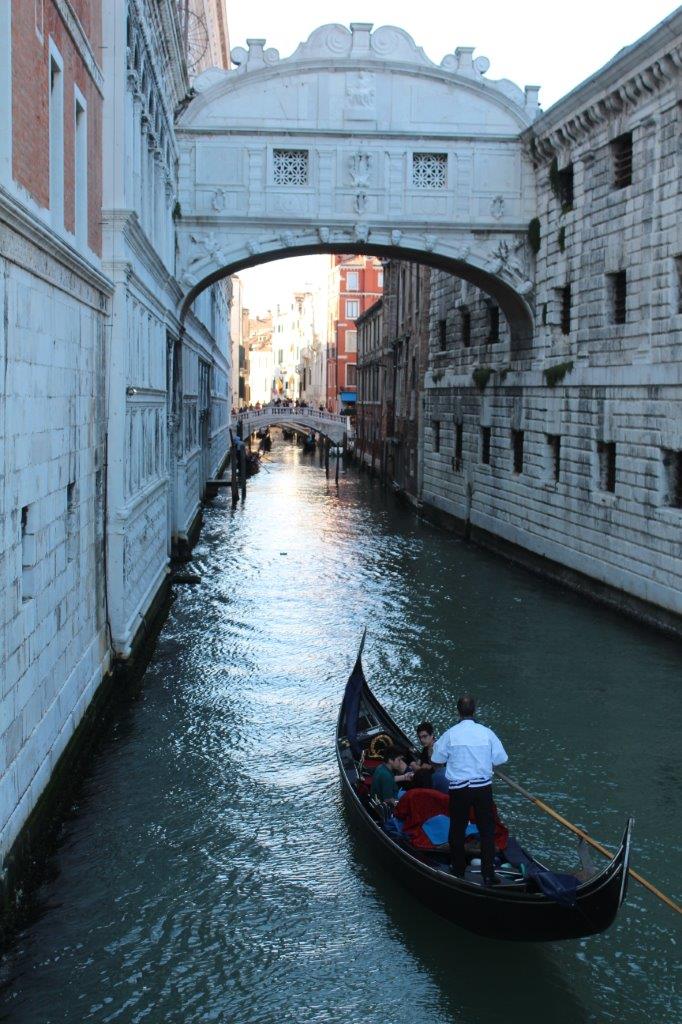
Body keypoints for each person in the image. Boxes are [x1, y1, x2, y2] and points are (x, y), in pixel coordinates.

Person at [431, 696, 508, 886]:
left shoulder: (450, 734)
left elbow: (436, 759)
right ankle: (488, 874)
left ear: (458, 711)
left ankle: (458, 869)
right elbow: (500, 759)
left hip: (460, 789)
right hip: (482, 788)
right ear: (474, 711)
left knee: (457, 829)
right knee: (487, 831)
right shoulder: (487, 733)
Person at [410, 722, 449, 792]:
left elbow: (439, 769)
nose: (421, 740)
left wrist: (420, 768)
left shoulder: (439, 749)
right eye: (420, 737)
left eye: (424, 736)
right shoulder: (425, 749)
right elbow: (420, 762)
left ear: (432, 735)